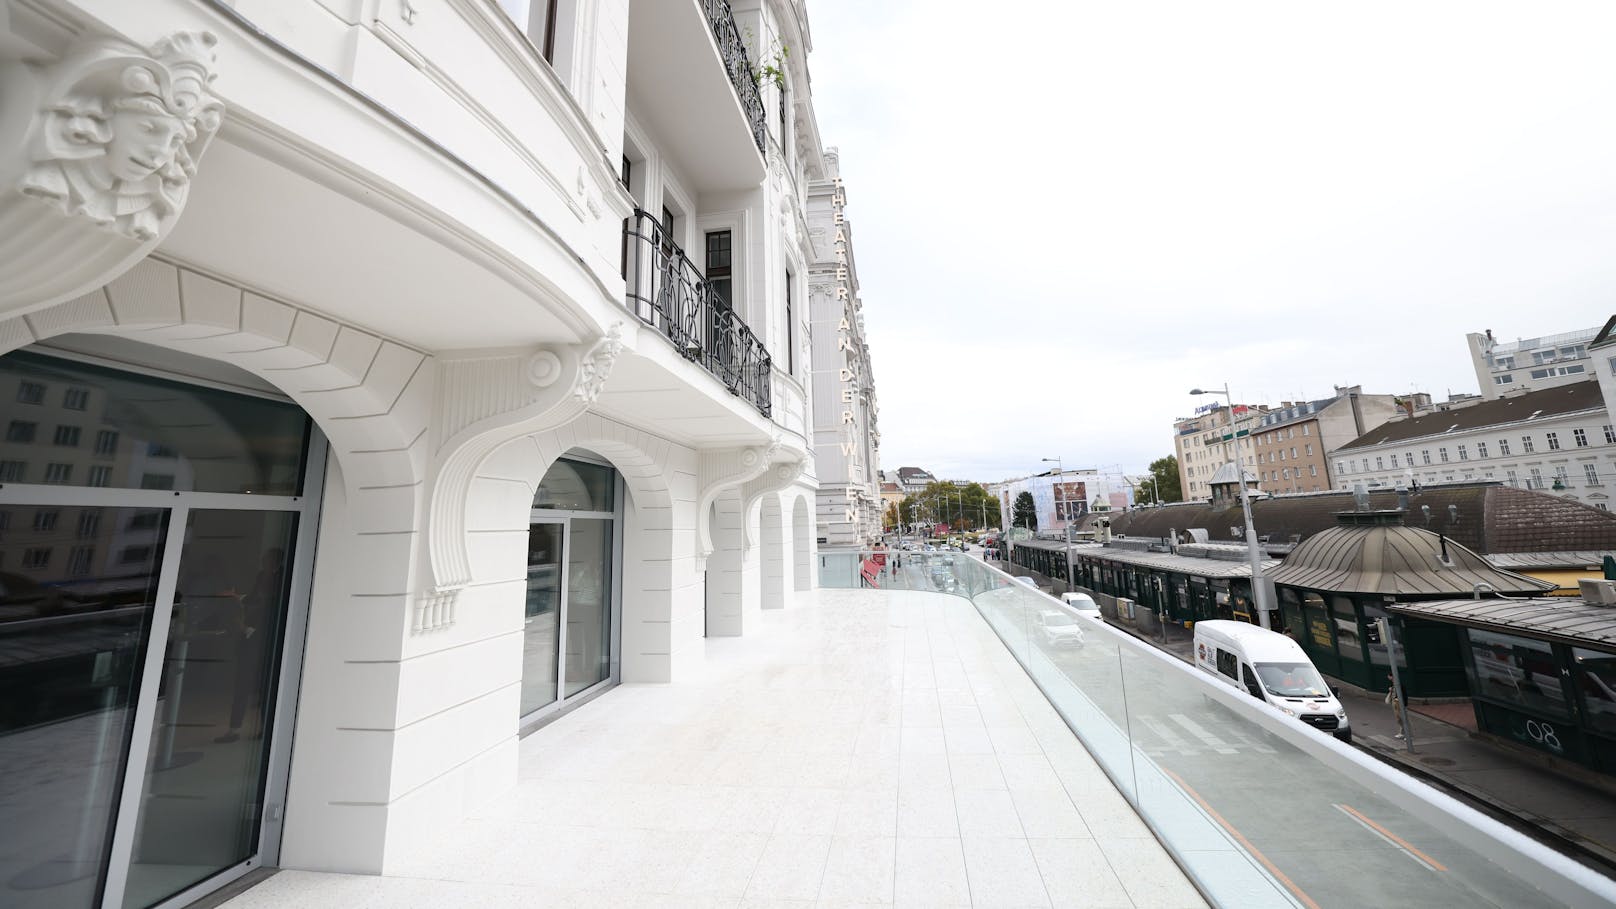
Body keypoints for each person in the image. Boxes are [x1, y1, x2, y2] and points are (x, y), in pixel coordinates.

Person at [1385, 672, 1406, 740]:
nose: (1388, 678)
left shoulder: (1399, 684)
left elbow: (1404, 694)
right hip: (1395, 703)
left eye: (1389, 676)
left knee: (1404, 719)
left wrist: (1404, 704)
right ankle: (1402, 733)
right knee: (1398, 719)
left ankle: (1408, 735)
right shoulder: (1393, 683)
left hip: (1399, 703)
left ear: (1392, 676)